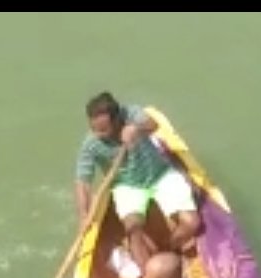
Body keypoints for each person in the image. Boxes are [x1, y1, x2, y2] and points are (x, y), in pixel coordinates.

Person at [74, 91, 202, 265]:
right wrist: (83, 215)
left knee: (192, 222)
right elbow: (82, 181)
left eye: (104, 130)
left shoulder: (130, 113)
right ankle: (149, 276)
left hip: (160, 174)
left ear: (118, 119)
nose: (99, 135)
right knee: (133, 229)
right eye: (94, 130)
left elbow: (154, 124)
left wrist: (137, 130)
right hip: (127, 185)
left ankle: (170, 249)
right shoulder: (91, 144)